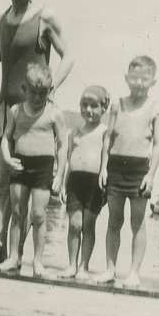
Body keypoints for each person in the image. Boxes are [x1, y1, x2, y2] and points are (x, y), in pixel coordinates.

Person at [0, 0, 76, 265]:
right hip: (7, 108)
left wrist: (52, 85)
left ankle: (27, 255)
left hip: (36, 112)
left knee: (33, 185)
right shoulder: (3, 17)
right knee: (3, 179)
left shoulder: (45, 17)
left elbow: (68, 55)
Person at [96, 55, 159, 287]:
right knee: (114, 220)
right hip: (115, 167)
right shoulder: (118, 104)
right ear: (127, 78)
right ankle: (110, 269)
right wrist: (103, 169)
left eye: (144, 79)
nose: (138, 83)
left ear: (152, 82)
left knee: (138, 222)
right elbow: (107, 138)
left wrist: (151, 174)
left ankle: (134, 272)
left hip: (139, 170)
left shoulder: (154, 108)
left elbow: (158, 144)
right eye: (134, 78)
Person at [0, 63, 67, 276]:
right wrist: (7, 159)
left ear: (49, 91)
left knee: (38, 214)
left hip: (43, 168)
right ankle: (14, 257)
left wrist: (60, 174)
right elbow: (6, 138)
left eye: (42, 93)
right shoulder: (16, 111)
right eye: (33, 92)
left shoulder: (54, 114)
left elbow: (63, 145)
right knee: (17, 212)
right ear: (24, 89)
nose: (37, 98)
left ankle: (38, 261)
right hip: (20, 164)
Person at [59, 85, 109, 279]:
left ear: (103, 109)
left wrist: (105, 175)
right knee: (74, 224)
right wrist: (63, 184)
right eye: (84, 105)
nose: (88, 110)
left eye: (94, 106)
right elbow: (69, 158)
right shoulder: (75, 131)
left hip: (95, 183)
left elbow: (107, 158)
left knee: (88, 225)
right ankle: (71, 264)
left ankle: (84, 266)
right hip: (75, 181)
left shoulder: (105, 131)